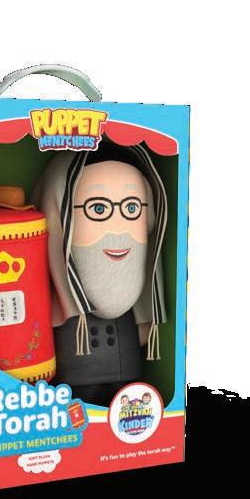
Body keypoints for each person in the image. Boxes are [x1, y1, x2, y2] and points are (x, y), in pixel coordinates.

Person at [33, 141, 168, 406]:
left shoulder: (130, 294)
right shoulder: (56, 301)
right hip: (76, 382)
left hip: (129, 383)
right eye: (98, 209)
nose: (117, 228)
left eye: (131, 208)